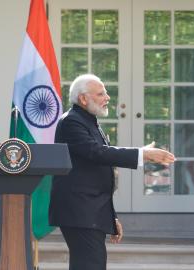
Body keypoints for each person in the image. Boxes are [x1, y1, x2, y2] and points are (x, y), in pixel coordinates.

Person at [49, 74, 176, 270]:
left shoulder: (89, 121)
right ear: (83, 98)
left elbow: (100, 171)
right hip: (80, 213)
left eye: (106, 92)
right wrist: (143, 154)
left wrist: (111, 217)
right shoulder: (71, 122)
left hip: (90, 213)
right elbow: (97, 153)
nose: (107, 97)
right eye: (101, 93)